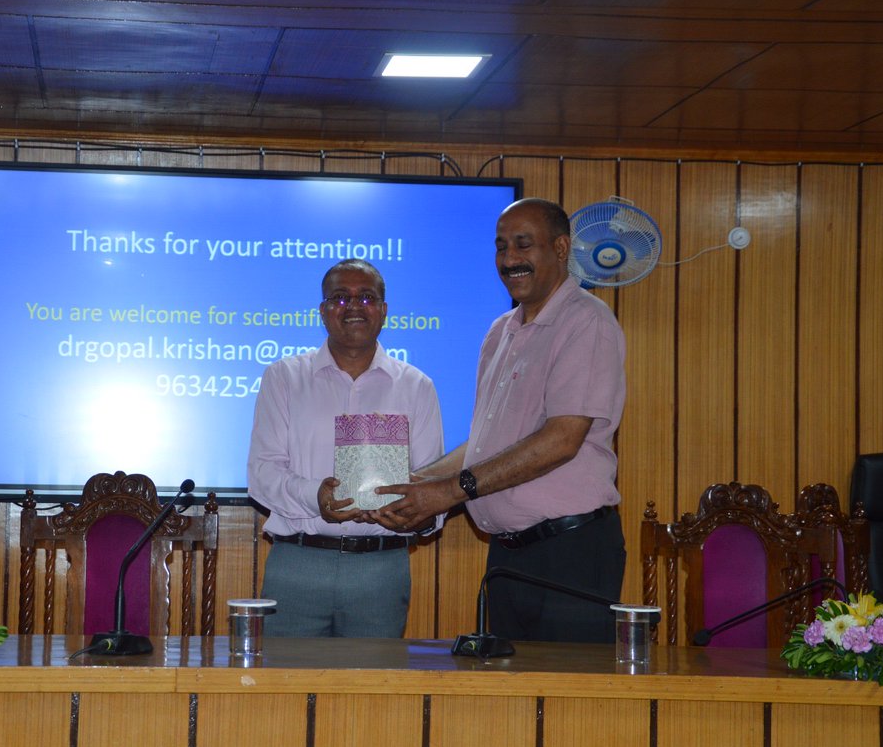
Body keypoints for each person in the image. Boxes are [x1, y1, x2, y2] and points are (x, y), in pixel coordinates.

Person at [373, 198, 626, 643]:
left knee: (569, 703)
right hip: (509, 558)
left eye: (523, 245)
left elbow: (562, 439)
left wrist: (449, 491)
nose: (509, 259)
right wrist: (411, 483)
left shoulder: (587, 322)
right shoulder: (499, 332)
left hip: (570, 553)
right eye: (501, 247)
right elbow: (485, 446)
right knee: (513, 702)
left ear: (561, 247)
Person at [247, 258, 444, 637]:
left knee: (370, 695)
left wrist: (412, 512)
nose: (353, 306)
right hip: (297, 563)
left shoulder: (417, 386)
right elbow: (262, 473)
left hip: (380, 570)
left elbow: (430, 479)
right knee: (283, 691)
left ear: (384, 310)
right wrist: (314, 495)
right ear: (322, 311)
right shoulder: (284, 377)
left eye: (366, 297)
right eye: (339, 298)